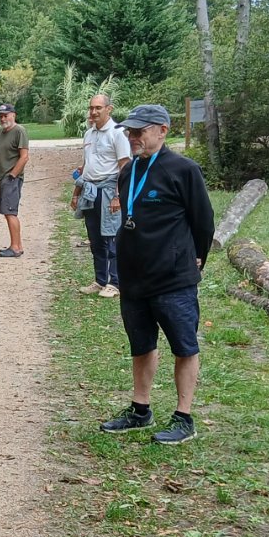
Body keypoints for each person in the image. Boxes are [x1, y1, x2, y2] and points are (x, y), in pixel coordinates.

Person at [98, 104, 215, 445]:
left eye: (139, 131)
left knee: (184, 346)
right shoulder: (128, 171)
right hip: (134, 278)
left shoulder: (184, 170)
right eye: (129, 132)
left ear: (163, 130)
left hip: (172, 278)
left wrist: (196, 258)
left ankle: (184, 417)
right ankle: (140, 410)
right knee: (141, 344)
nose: (132, 137)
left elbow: (203, 222)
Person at [70, 94, 131, 298]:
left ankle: (115, 282)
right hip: (90, 191)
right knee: (95, 239)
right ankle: (100, 280)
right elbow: (85, 165)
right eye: (91, 108)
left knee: (111, 237)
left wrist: (117, 196)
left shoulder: (118, 133)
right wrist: (76, 193)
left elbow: (124, 166)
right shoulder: (89, 134)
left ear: (109, 109)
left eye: (98, 108)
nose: (94, 112)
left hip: (109, 191)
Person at [0, 103, 29, 257]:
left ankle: (15, 248)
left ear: (13, 115)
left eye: (5, 115)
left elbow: (24, 157)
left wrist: (13, 175)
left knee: (10, 212)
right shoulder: (0, 132)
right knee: (6, 212)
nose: (3, 119)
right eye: (0, 116)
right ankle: (17, 245)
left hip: (11, 178)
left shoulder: (19, 131)